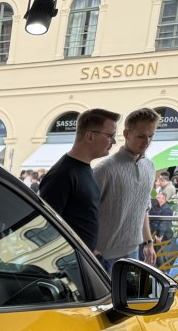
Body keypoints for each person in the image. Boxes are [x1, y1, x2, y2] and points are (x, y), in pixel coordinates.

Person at [38, 108, 119, 252]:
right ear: (90, 136)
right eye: (110, 135)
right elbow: (46, 228)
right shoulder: (62, 174)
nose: (114, 141)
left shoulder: (83, 168)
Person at [92, 106, 159, 272]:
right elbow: (86, 211)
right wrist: (91, 248)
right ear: (126, 134)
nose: (147, 142)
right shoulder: (105, 169)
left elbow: (143, 209)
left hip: (133, 252)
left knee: (128, 298)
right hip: (102, 256)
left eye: (151, 136)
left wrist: (149, 243)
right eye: (141, 136)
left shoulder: (150, 167)